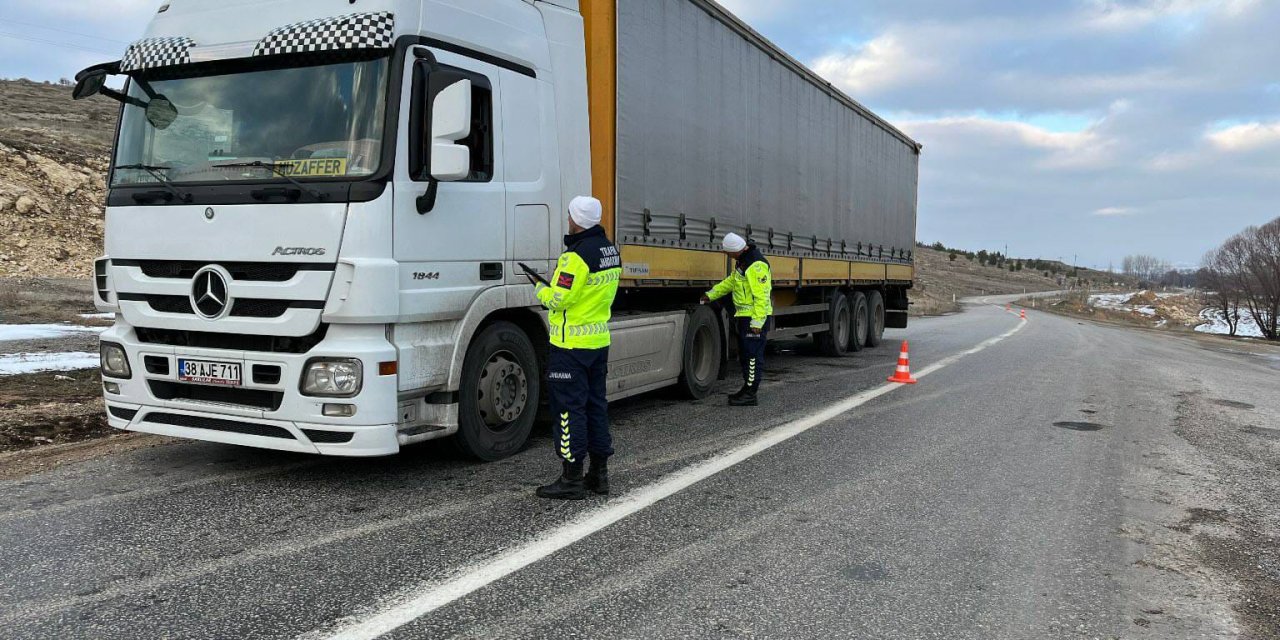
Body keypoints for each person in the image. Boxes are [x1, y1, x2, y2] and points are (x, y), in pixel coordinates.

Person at [532, 196, 622, 500]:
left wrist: (540, 289)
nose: (567, 219)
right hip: (598, 341)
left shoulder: (575, 256)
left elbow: (561, 299)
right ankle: (599, 475)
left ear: (577, 220)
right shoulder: (610, 250)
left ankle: (571, 479)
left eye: (569, 214)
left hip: (570, 345)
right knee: (596, 406)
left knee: (569, 410)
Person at [701, 232, 773, 406]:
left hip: (753, 320)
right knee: (745, 356)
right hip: (744, 317)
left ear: (734, 250)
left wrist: (757, 322)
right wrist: (711, 295)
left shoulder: (755, 265)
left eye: (728, 253)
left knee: (752, 357)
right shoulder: (744, 262)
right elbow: (731, 283)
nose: (727, 256)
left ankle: (750, 394)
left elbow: (762, 296)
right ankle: (747, 389)